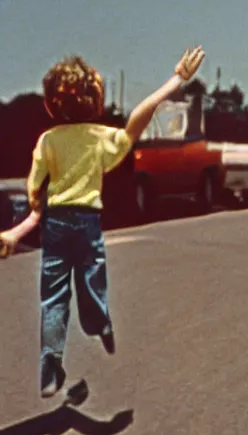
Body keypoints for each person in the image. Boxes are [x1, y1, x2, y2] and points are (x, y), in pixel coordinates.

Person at [0, 46, 205, 398]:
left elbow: (36, 199)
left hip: (56, 225)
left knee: (53, 299)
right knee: (92, 286)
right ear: (95, 100)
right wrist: (176, 80)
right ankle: (100, 323)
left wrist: (15, 233)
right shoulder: (100, 137)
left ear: (51, 103)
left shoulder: (47, 141)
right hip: (88, 222)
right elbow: (138, 119)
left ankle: (51, 362)